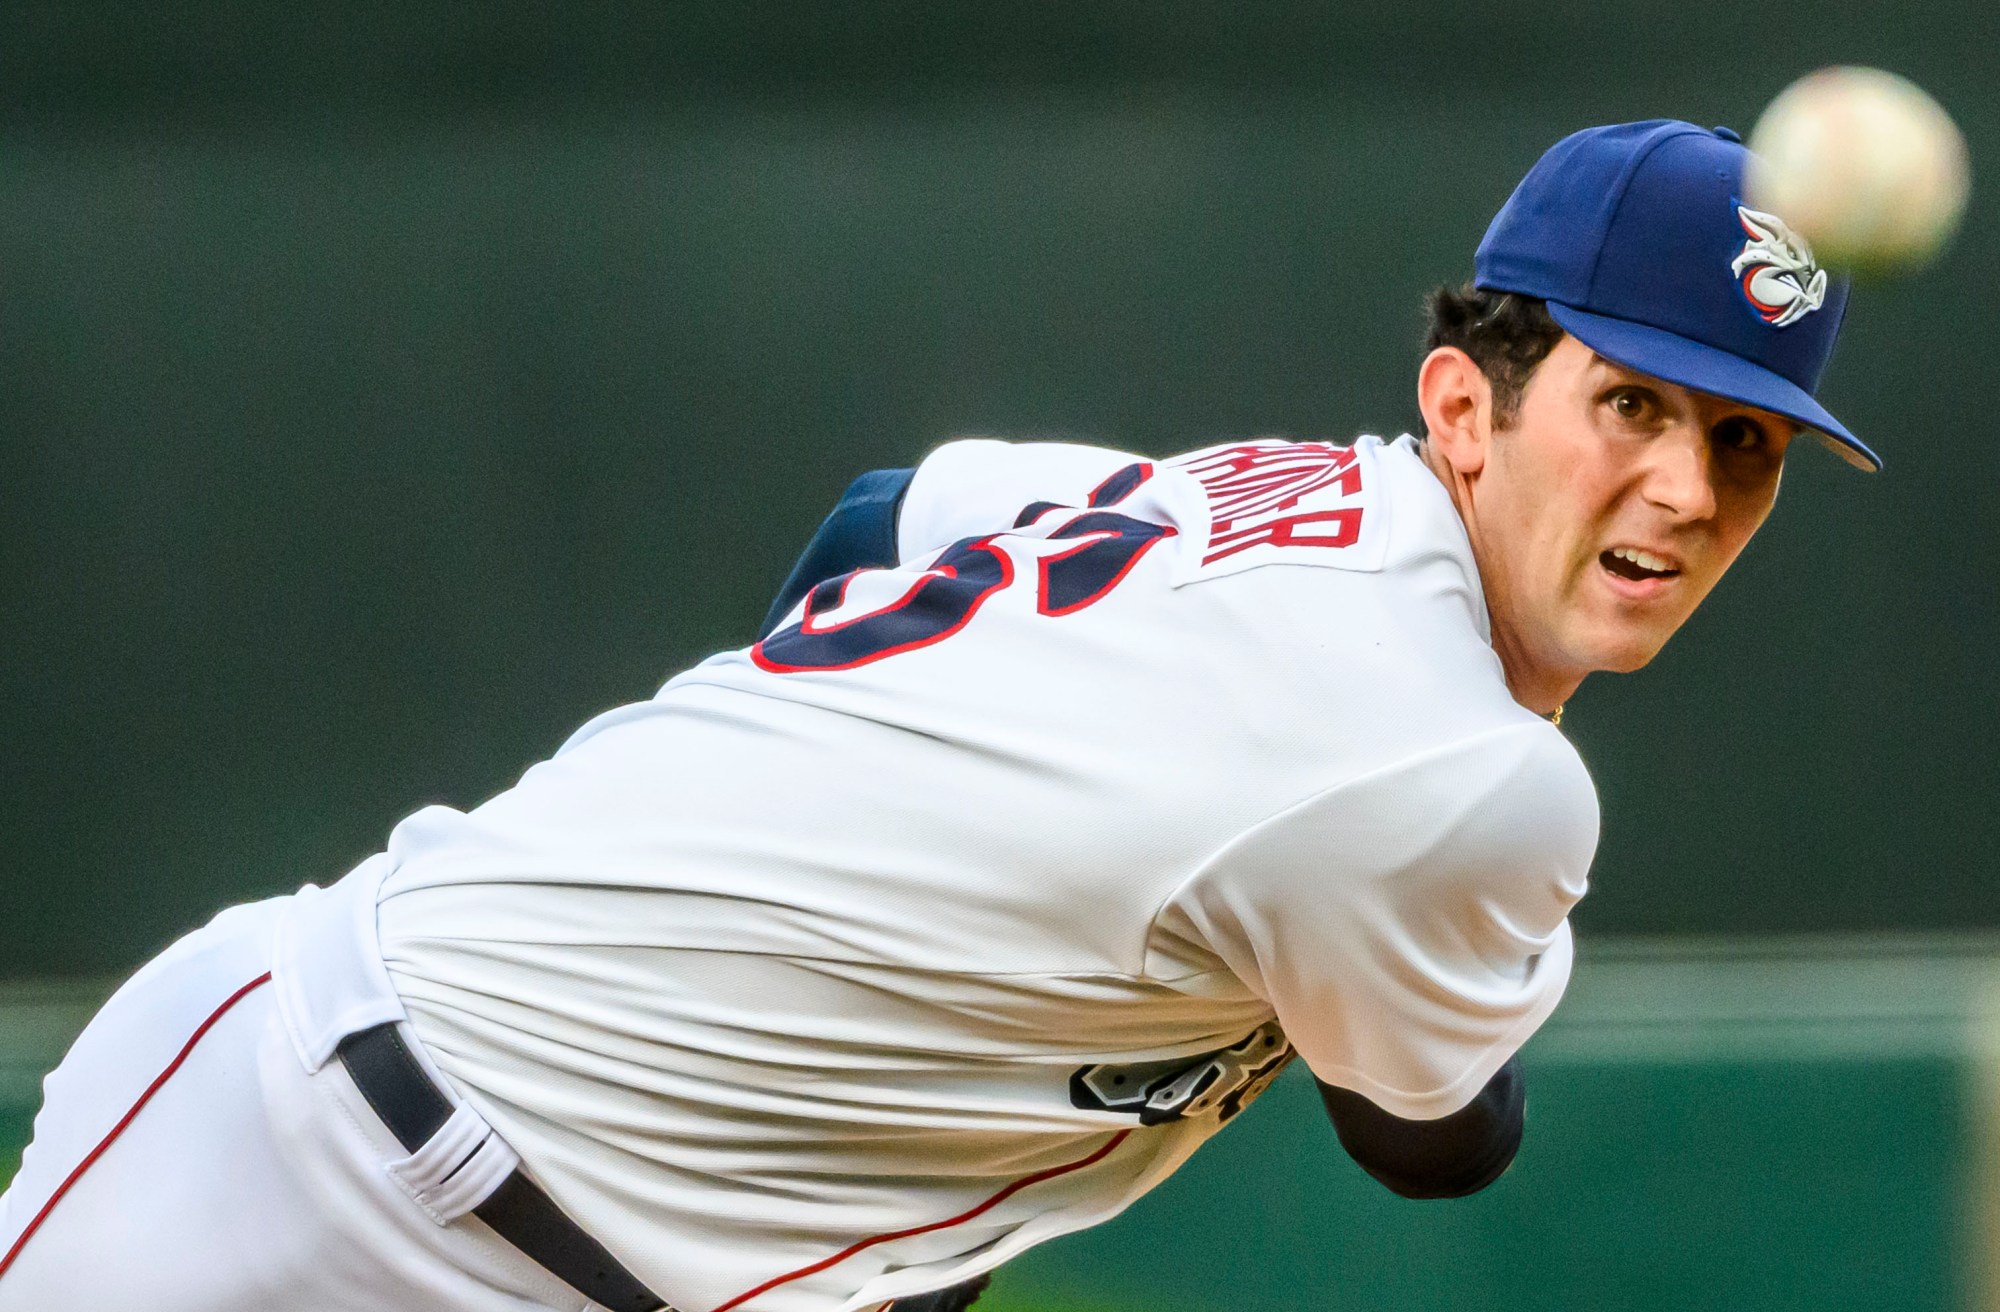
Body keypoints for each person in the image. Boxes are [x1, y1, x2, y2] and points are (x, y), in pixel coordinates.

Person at [0, 119, 1875, 1312]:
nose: (1690, 492)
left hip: (386, 1106)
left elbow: (883, 515)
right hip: (308, 1172)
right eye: (1632, 405)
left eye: (1745, 444)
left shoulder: (1261, 495)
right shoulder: (1462, 778)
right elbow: (1435, 1131)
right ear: (1466, 406)